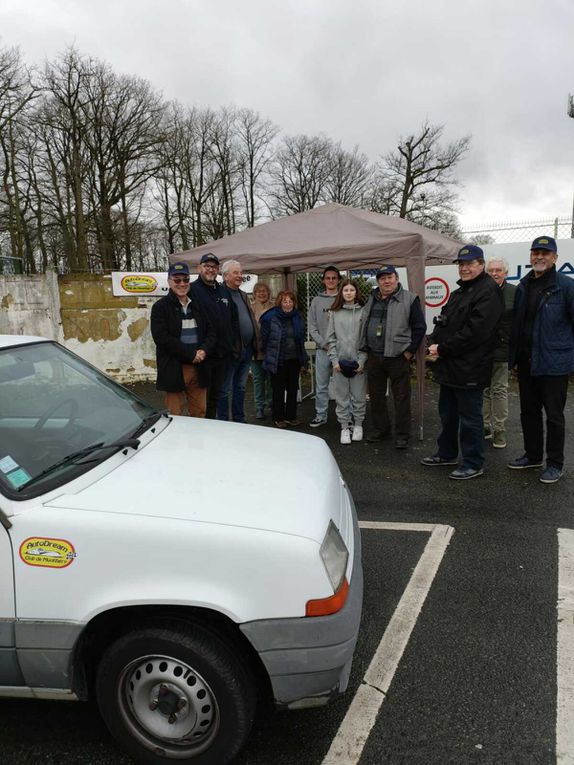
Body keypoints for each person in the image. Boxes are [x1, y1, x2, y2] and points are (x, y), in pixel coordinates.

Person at [421, 245, 504, 480]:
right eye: (461, 264)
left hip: (470, 367)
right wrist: (433, 341)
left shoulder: (487, 290)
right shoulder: (461, 292)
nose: (464, 268)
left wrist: (443, 348)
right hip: (450, 366)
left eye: (469, 264)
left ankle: (473, 462)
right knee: (448, 413)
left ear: (481, 264)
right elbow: (445, 321)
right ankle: (446, 453)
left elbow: (476, 332)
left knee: (470, 418)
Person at [507, 236, 574, 484]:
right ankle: (533, 455)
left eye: (545, 253)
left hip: (554, 363)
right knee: (528, 412)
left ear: (555, 258)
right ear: (530, 257)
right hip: (527, 362)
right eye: (536, 252)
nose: (539, 257)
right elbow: (519, 325)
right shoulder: (524, 286)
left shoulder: (566, 286)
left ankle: (555, 463)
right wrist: (513, 358)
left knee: (554, 416)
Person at [361, 265, 426, 449]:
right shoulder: (372, 298)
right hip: (374, 355)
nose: (386, 281)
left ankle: (402, 434)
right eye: (382, 278)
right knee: (376, 396)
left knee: (401, 397)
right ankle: (382, 429)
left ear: (397, 278)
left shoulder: (410, 299)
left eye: (389, 277)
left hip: (398, 357)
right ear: (378, 281)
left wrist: (409, 352)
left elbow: (419, 327)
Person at [150, 262, 215, 417]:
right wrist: (191, 354)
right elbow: (162, 338)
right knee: (175, 415)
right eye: (177, 280)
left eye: (185, 280)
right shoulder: (160, 307)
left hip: (199, 367)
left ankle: (198, 442)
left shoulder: (199, 305)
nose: (182, 284)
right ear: (169, 281)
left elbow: (211, 332)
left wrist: (204, 350)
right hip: (175, 368)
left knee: (200, 412)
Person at [189, 253, 237, 419]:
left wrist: (233, 344)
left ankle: (212, 427)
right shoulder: (191, 290)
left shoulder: (224, 291)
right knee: (201, 398)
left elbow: (233, 319)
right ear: (199, 268)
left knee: (216, 396)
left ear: (218, 270)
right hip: (203, 356)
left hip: (223, 355)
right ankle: (202, 432)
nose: (210, 269)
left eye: (214, 267)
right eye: (207, 266)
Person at [326, 279, 368, 444]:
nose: (349, 293)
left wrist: (362, 361)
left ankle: (358, 425)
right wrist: (335, 361)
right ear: (341, 293)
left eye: (352, 290)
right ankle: (344, 427)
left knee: (358, 397)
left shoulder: (364, 312)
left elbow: (366, 339)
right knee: (342, 398)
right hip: (340, 364)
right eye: (345, 290)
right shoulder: (334, 313)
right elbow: (330, 339)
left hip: (358, 363)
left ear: (356, 292)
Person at [217, 259, 259, 423]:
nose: (240, 276)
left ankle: (239, 419)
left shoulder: (242, 294)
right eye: (236, 273)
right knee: (225, 388)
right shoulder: (220, 295)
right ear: (225, 276)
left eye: (241, 272)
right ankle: (222, 420)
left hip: (246, 348)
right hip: (231, 350)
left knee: (240, 387)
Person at [260, 290, 309, 428]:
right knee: (278, 389)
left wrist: (303, 359)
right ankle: (278, 417)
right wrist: (266, 353)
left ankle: (291, 417)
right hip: (277, 359)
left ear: (294, 302)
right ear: (280, 303)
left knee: (293, 389)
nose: (288, 304)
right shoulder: (270, 317)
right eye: (284, 301)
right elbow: (264, 338)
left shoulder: (298, 316)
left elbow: (301, 338)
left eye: (290, 301)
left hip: (294, 359)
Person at [483, 257, 516, 449]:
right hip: (482, 350)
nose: (494, 273)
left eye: (498, 270)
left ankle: (499, 430)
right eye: (491, 270)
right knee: (484, 389)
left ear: (506, 272)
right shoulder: (481, 291)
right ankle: (485, 426)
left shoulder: (514, 292)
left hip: (503, 349)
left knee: (500, 390)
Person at [308, 266, 342, 427]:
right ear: (323, 280)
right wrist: (323, 343)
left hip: (341, 350)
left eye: (334, 278)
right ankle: (321, 415)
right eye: (327, 278)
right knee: (321, 385)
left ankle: (344, 417)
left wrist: (337, 345)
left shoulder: (344, 298)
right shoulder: (316, 301)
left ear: (338, 280)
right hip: (322, 350)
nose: (330, 281)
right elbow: (312, 326)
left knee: (342, 385)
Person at [250, 282, 274, 419]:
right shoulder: (250, 308)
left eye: (264, 291)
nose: (262, 293)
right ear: (254, 294)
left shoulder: (275, 308)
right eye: (258, 291)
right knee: (258, 380)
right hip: (255, 351)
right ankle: (259, 407)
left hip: (271, 351)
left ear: (269, 293)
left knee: (272, 379)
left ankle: (271, 403)